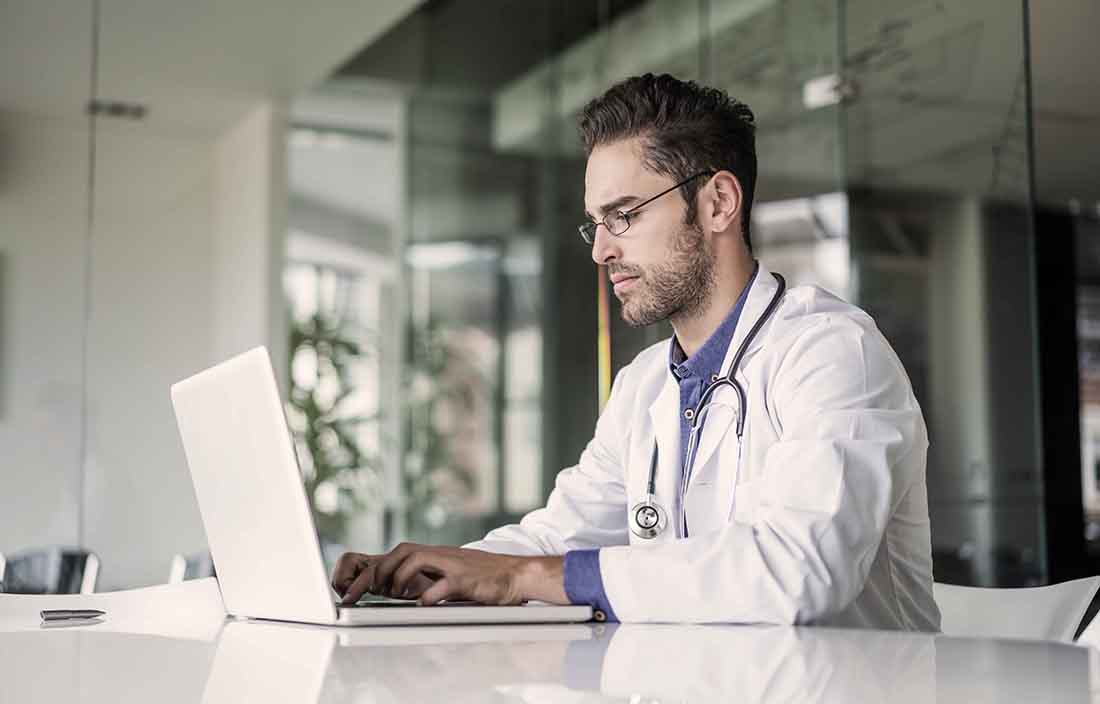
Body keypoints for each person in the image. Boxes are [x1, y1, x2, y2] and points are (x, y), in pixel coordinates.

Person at [332, 73, 940, 630]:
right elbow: (561, 535)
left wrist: (523, 578)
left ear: (718, 203)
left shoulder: (832, 352)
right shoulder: (645, 383)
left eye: (622, 216)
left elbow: (801, 570)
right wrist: (430, 571)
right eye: (595, 223)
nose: (600, 251)